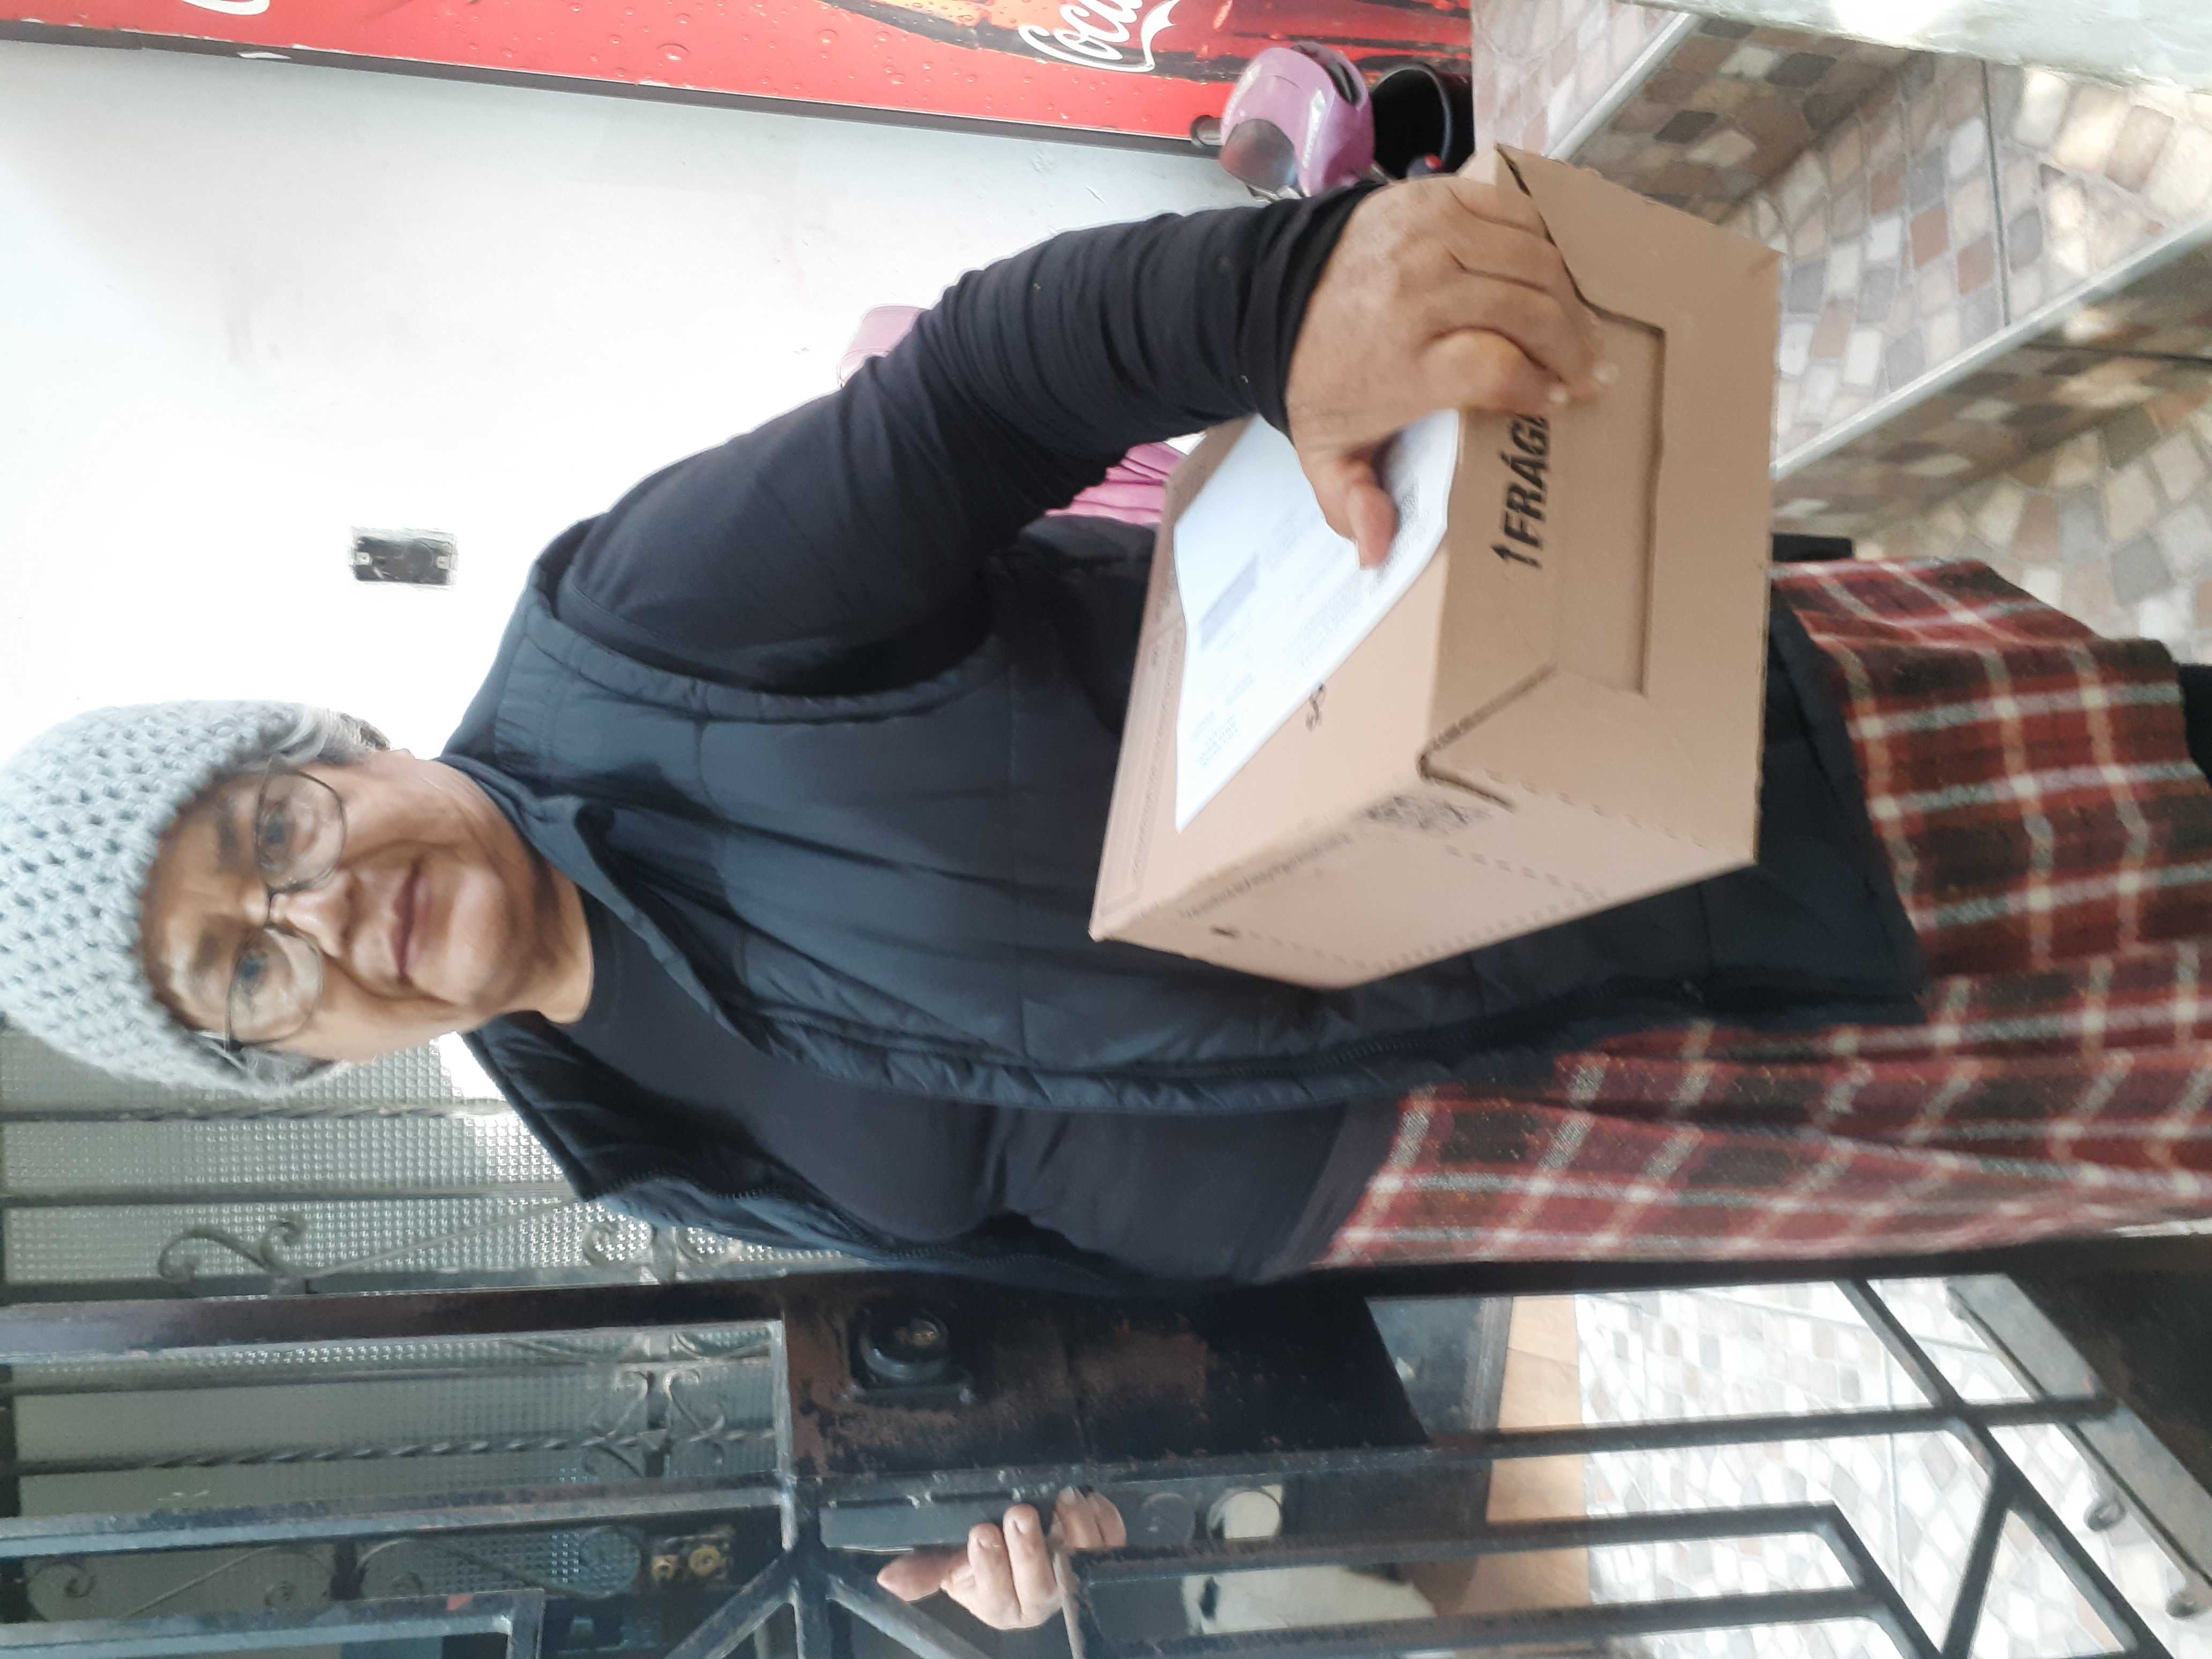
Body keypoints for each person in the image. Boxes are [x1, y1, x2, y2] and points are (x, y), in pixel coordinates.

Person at [6, 165, 2212, 1302]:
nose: (320, 907)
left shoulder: (641, 637)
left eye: (269, 826)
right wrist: (1023, 1482)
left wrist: (1286, 306)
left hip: (1638, 843)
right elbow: (1002, 1242)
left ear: (332, 740)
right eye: (247, 966)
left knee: (2159, 835)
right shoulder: (607, 1124)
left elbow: (975, 387)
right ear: (288, 1059)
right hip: (1551, 1159)